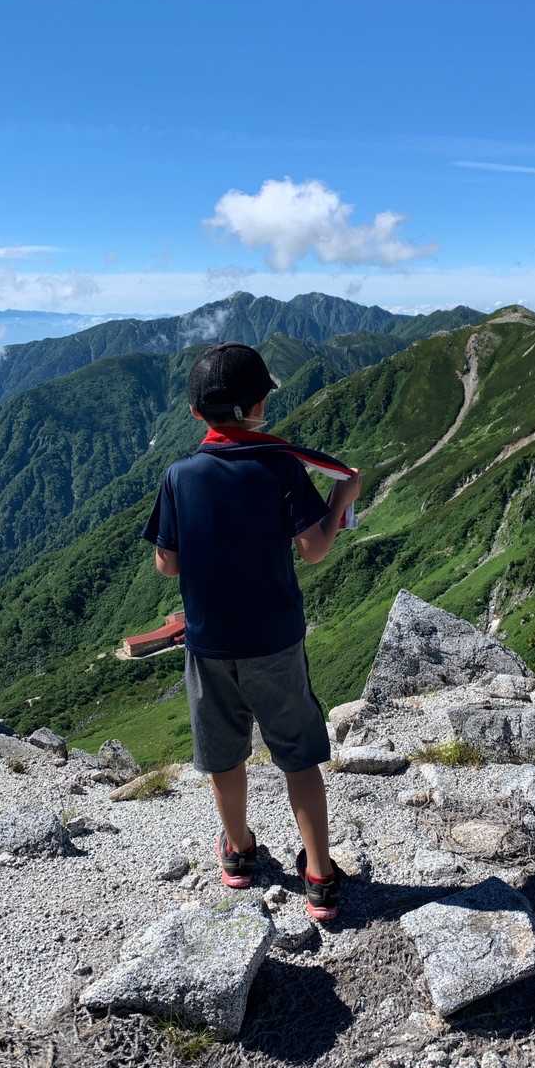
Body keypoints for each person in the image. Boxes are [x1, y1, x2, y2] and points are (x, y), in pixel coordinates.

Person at [141, 342, 362, 920]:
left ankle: (238, 852)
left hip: (209, 641)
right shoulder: (281, 466)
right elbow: (314, 549)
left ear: (196, 412)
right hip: (275, 639)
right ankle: (320, 876)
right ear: (261, 404)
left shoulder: (179, 475)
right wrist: (341, 498)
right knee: (297, 757)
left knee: (223, 756)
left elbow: (167, 563)